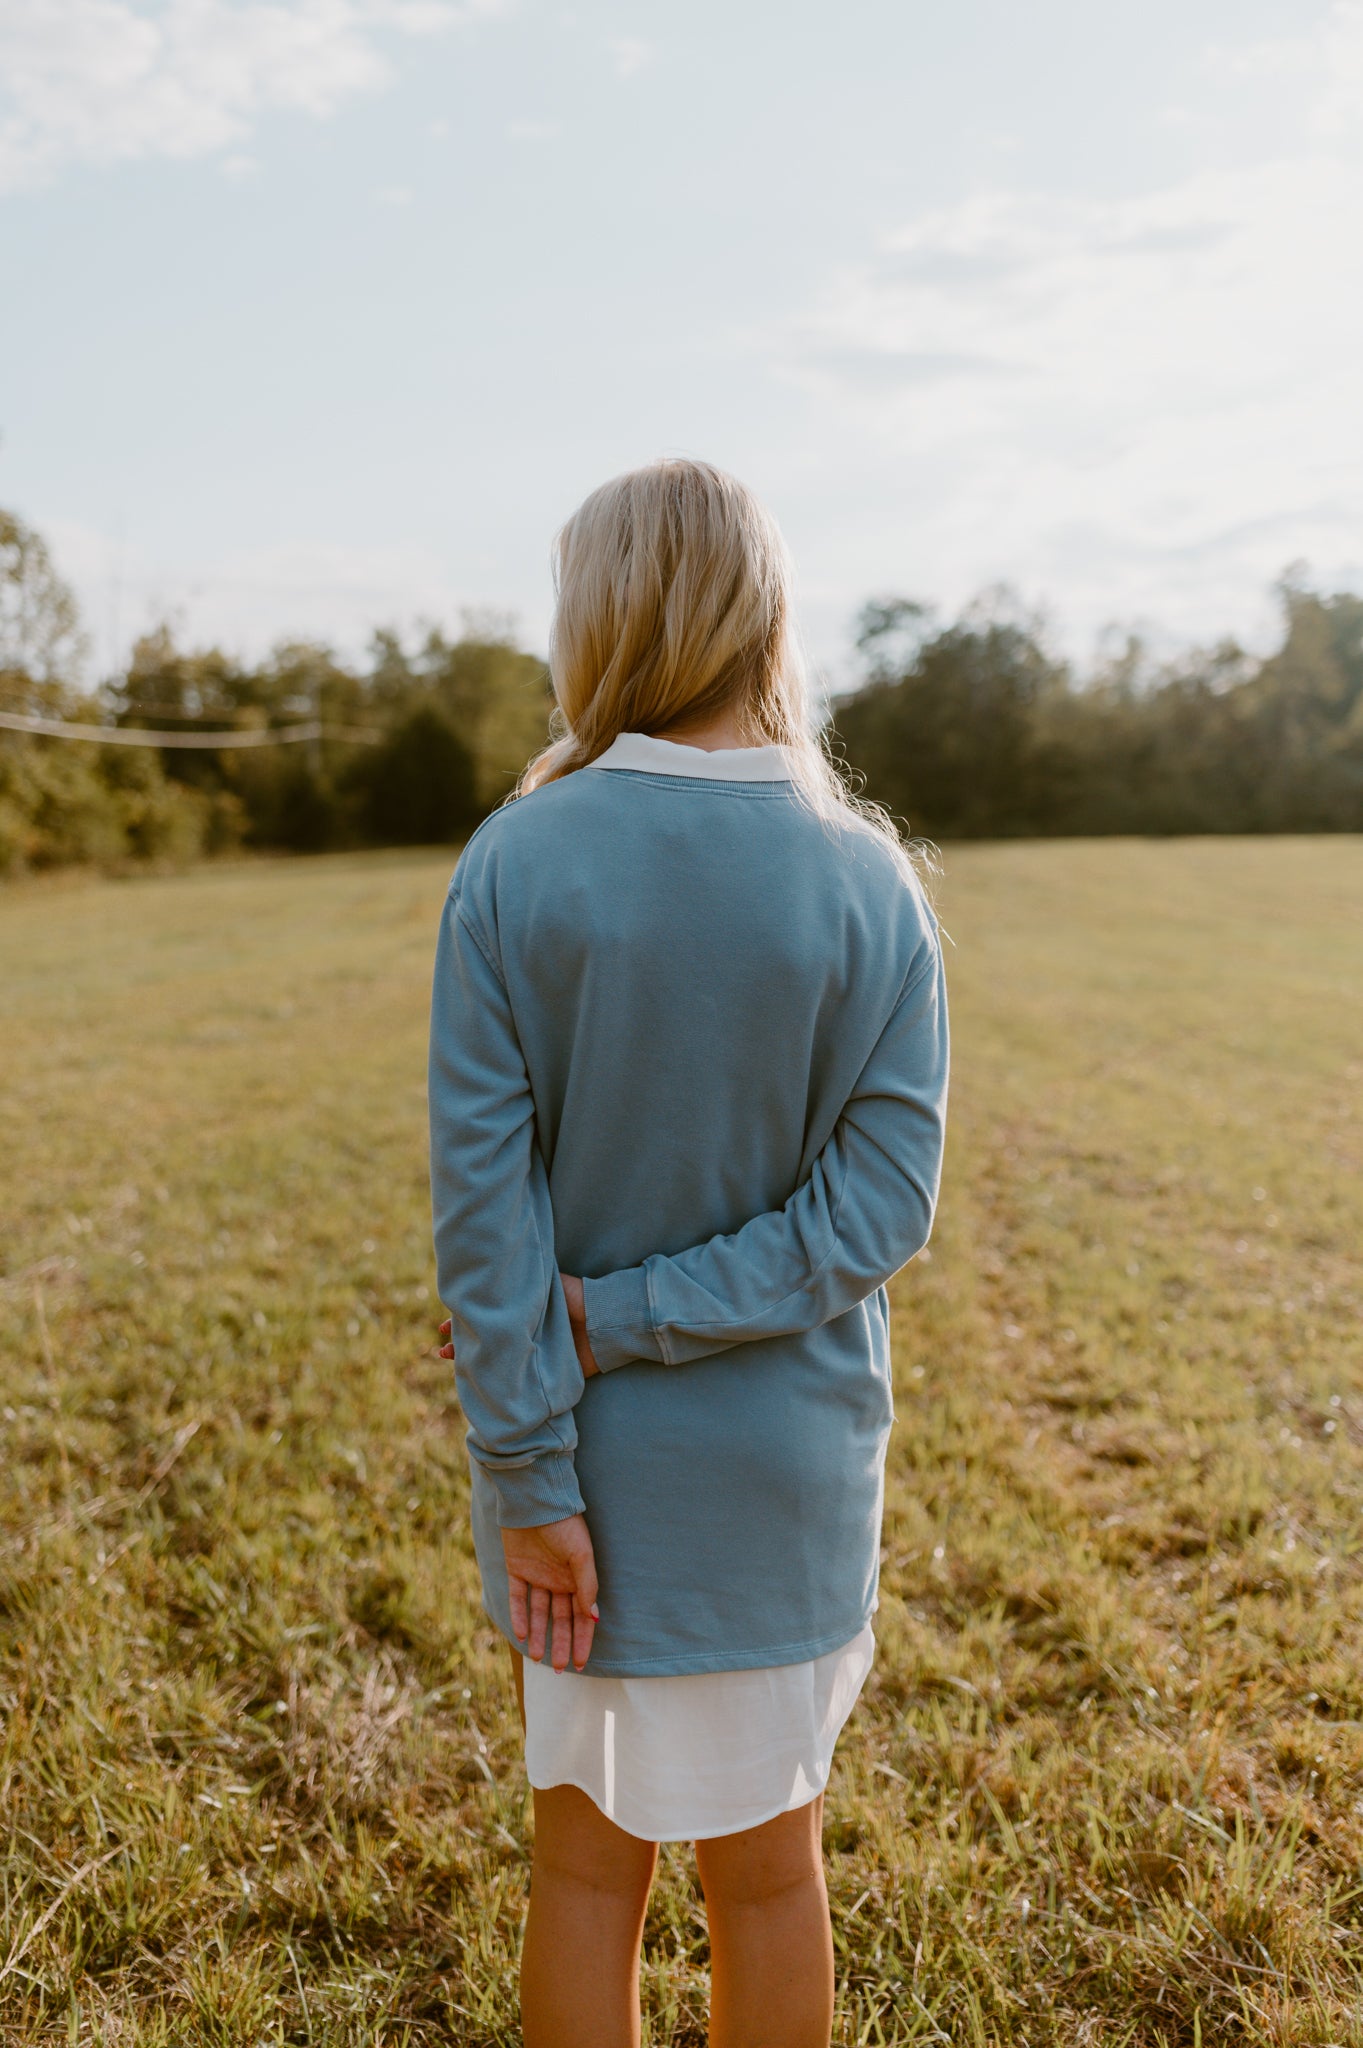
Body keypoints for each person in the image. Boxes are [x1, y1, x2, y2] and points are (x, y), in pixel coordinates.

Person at [428, 458, 949, 2048]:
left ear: (603, 619)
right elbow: (880, 1214)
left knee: (583, 1880)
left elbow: (481, 1212)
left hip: (585, 1487)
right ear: (763, 611)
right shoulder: (870, 881)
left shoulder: (516, 863)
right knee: (774, 1882)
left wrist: (532, 1466)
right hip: (786, 1488)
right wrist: (626, 1316)